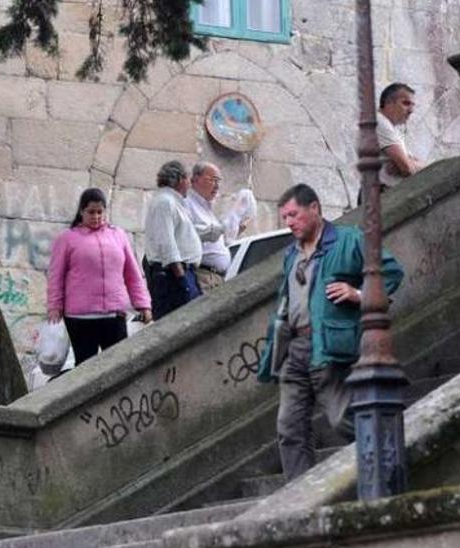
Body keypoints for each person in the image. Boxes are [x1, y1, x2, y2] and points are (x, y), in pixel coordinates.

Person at [256, 184, 405, 480]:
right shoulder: (291, 254)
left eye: (293, 215)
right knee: (289, 427)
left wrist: (358, 293)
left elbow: (392, 272)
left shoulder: (349, 241)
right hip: (294, 348)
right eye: (284, 217)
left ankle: (389, 460)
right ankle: (299, 494)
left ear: (315, 208)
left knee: (342, 419)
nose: (288, 223)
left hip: (328, 345)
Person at [46, 189, 153, 369]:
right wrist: (54, 307)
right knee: (85, 369)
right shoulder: (67, 238)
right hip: (80, 317)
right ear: (81, 212)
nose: (96, 216)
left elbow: (132, 274)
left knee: (118, 366)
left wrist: (143, 304)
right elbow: (55, 276)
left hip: (114, 314)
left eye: (100, 212)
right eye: (91, 212)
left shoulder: (118, 235)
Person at [143, 160, 203, 320]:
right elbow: (167, 244)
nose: (189, 185)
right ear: (179, 180)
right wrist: (182, 278)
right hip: (172, 276)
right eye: (188, 180)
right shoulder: (165, 202)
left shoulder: (173, 202)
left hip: (182, 272)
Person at [184, 161, 246, 292]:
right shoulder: (187, 204)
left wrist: (235, 231)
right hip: (202, 275)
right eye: (213, 180)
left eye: (218, 181)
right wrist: (221, 228)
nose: (217, 186)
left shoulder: (206, 208)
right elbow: (188, 235)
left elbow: (212, 244)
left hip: (216, 277)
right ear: (195, 179)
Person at [377, 83, 423, 190]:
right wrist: (407, 164)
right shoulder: (379, 123)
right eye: (406, 103)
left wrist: (409, 163)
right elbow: (408, 169)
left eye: (412, 105)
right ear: (388, 102)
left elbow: (410, 164)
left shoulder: (390, 127)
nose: (411, 110)